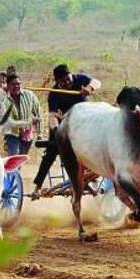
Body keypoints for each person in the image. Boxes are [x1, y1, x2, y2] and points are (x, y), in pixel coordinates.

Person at [32, 64, 100, 194]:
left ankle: (90, 178)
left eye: (68, 79)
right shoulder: (54, 93)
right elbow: (52, 116)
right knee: (50, 154)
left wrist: (89, 88)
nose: (67, 82)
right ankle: (38, 186)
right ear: (57, 82)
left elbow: (97, 82)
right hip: (64, 126)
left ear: (71, 75)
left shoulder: (79, 79)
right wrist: (56, 131)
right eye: (63, 81)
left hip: (85, 125)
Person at [1, 74, 41, 156]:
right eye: (13, 84)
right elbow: (10, 123)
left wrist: (39, 133)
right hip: (11, 134)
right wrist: (29, 122)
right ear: (8, 86)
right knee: (14, 157)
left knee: (20, 161)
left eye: (18, 84)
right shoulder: (4, 101)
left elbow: (38, 113)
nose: (16, 86)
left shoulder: (30, 95)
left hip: (27, 135)